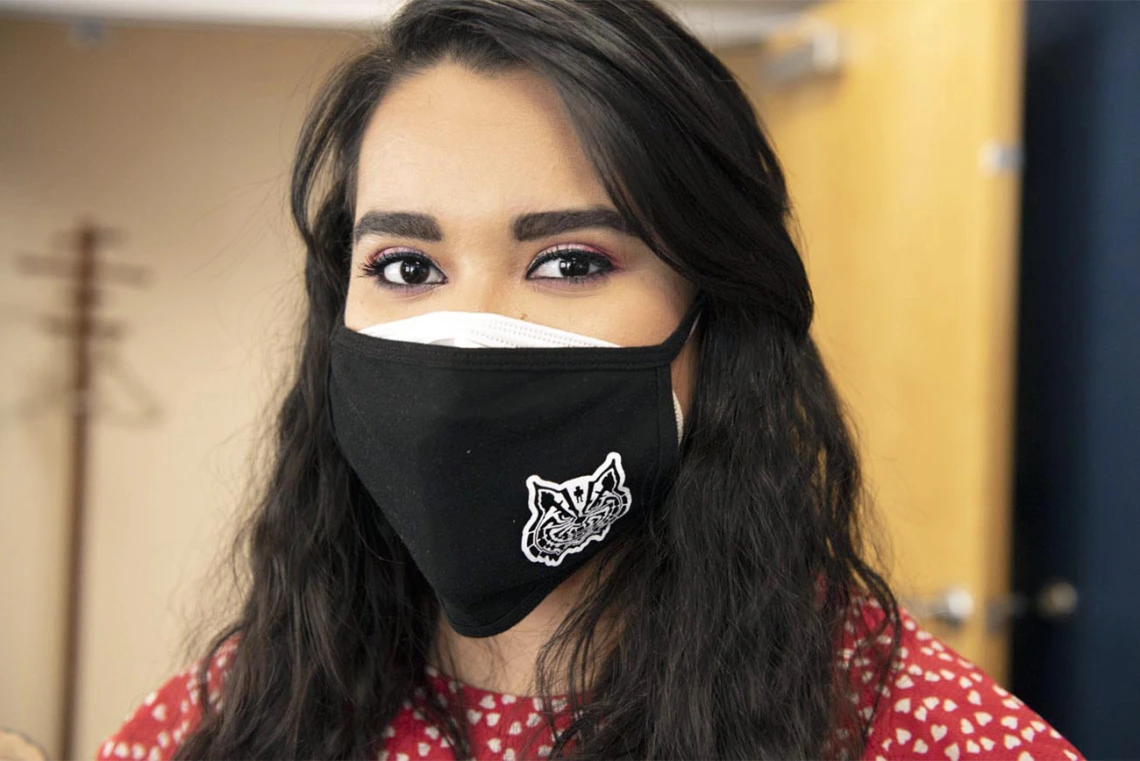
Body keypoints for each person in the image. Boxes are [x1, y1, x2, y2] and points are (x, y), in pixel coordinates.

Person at [96, 1, 1086, 759]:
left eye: (570, 261)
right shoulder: (253, 706)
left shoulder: (905, 722)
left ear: (719, 311)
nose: (468, 333)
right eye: (406, 266)